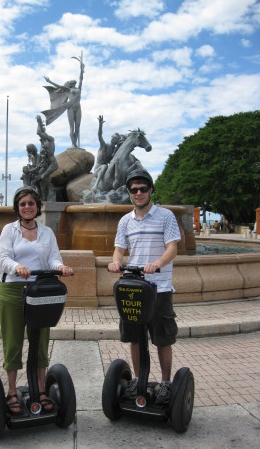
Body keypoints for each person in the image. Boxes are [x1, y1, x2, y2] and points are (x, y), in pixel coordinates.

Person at [0, 186, 74, 415]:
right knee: (13, 342)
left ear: (37, 206)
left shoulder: (46, 232)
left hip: (39, 290)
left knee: (40, 340)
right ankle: (11, 391)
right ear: (17, 208)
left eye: (31, 203)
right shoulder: (10, 230)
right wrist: (18, 267)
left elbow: (54, 257)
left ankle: (40, 388)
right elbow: (2, 259)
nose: (27, 207)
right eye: (23, 204)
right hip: (12, 290)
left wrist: (61, 267)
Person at [108, 169, 180, 404]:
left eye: (143, 189)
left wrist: (157, 264)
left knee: (162, 337)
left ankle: (166, 383)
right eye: (134, 190)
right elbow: (119, 249)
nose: (138, 193)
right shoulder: (125, 220)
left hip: (159, 287)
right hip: (134, 287)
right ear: (129, 193)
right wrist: (116, 261)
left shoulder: (166, 216)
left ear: (150, 190)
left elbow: (172, 248)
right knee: (135, 337)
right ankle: (139, 379)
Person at [42, 55, 84, 148]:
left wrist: (81, 69)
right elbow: (60, 86)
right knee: (72, 127)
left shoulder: (78, 89)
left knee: (77, 128)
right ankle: (73, 144)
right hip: (70, 107)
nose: (74, 83)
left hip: (78, 107)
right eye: (73, 82)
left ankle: (75, 144)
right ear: (71, 84)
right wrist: (50, 81)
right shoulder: (68, 90)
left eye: (74, 82)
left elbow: (81, 78)